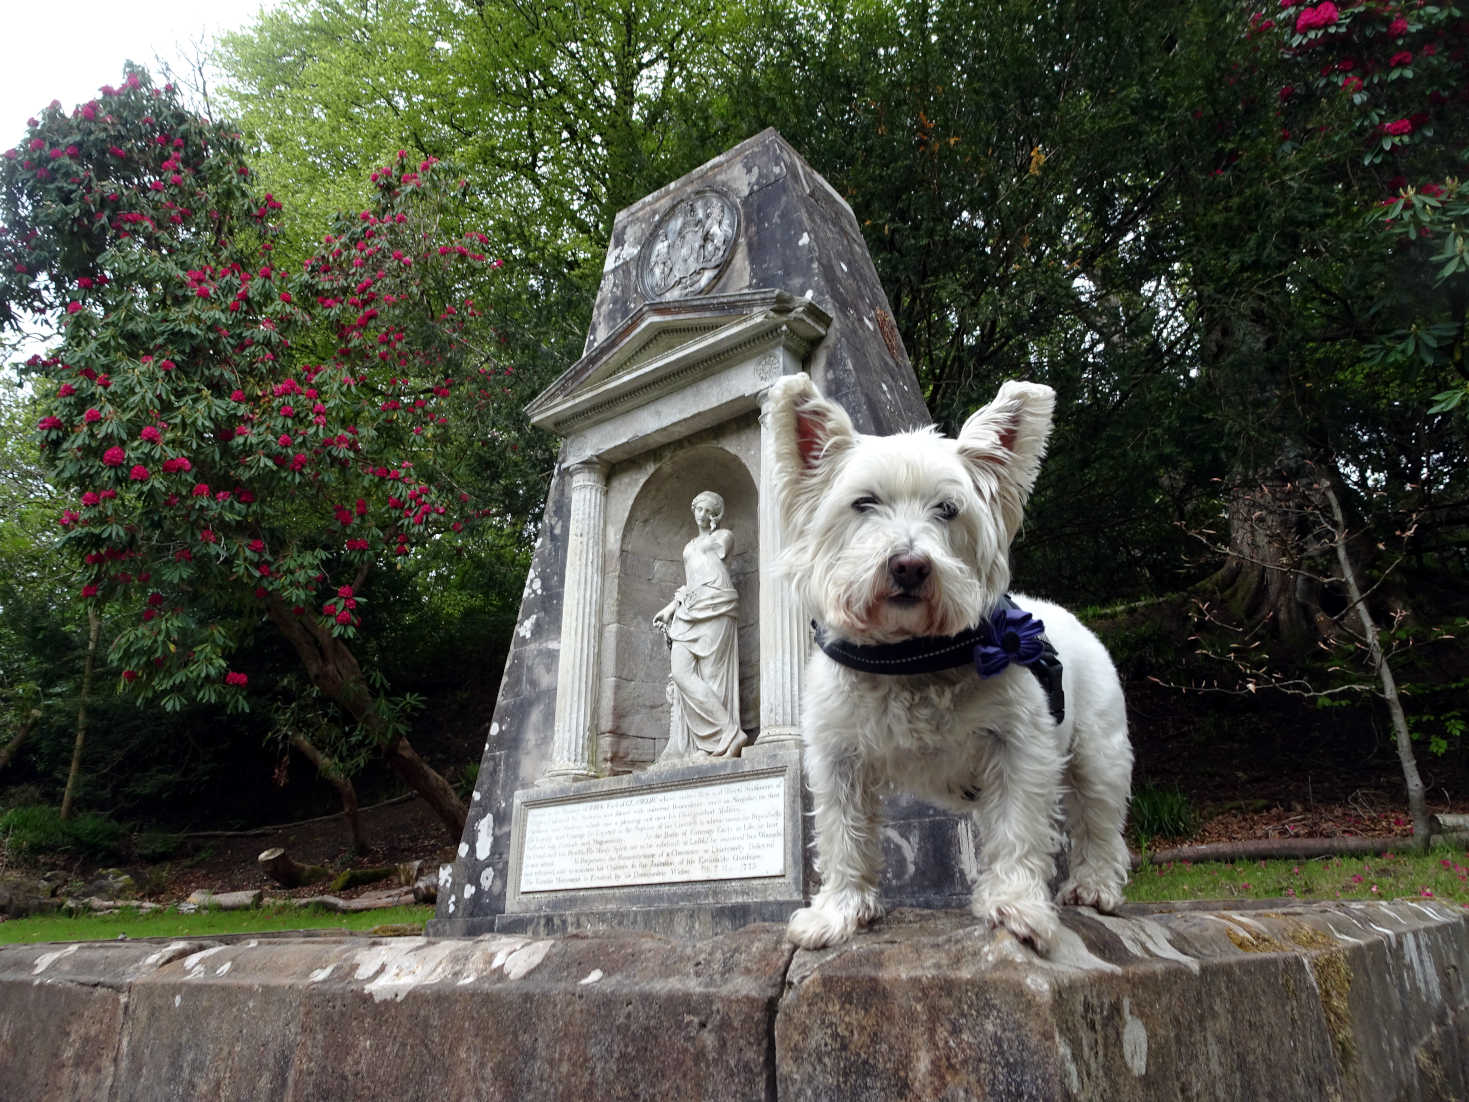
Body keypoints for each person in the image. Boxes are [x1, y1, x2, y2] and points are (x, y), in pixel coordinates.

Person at [653, 491, 746, 759]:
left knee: (712, 676)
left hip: (716, 602)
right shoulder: (691, 542)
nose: (702, 515)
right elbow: (691, 578)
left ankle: (716, 744)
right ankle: (727, 732)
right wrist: (672, 607)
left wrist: (715, 532)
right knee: (681, 673)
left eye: (708, 511)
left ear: (716, 515)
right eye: (699, 509)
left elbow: (716, 558)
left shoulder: (723, 537)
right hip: (689, 607)